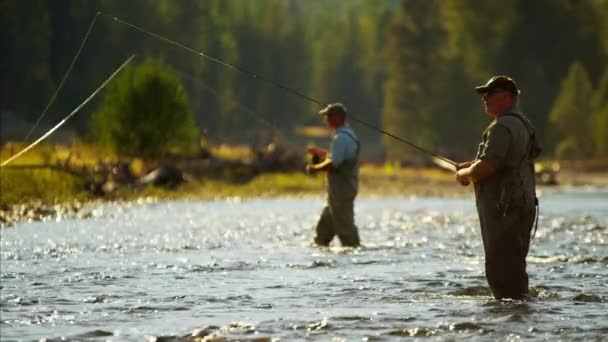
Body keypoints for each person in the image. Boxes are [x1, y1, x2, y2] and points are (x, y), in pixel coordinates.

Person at [455, 76, 541, 300]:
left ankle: (507, 323)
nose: (484, 98)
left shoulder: (502, 127)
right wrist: (473, 165)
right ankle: (521, 312)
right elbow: (504, 161)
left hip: (504, 208)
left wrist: (464, 174)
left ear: (505, 96)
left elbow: (487, 168)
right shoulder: (523, 123)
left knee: (500, 268)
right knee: (514, 267)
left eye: (490, 94)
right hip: (522, 204)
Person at [306, 103, 361, 247]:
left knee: (346, 230)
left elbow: (334, 164)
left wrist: (314, 168)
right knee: (324, 229)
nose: (326, 120)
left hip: (341, 192)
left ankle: (357, 257)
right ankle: (321, 248)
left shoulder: (340, 139)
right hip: (340, 193)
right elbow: (337, 158)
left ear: (337, 118)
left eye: (328, 116)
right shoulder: (348, 135)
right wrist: (321, 153)